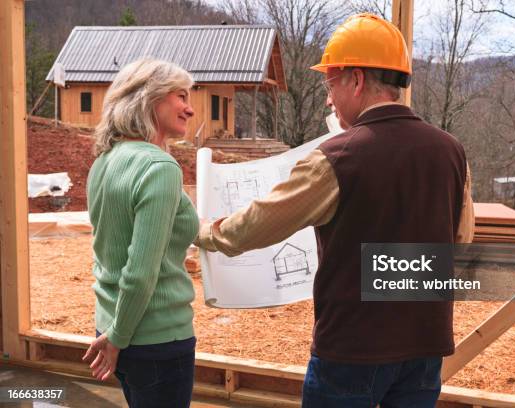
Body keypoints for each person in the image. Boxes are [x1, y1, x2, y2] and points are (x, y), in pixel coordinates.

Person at [195, 13, 475, 408]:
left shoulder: (337, 156)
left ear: (356, 80)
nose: (327, 98)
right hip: (426, 348)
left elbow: (258, 225)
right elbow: (461, 238)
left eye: (330, 83)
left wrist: (206, 231)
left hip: (352, 352)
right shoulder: (452, 150)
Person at [82, 58, 199, 408]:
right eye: (181, 96)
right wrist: (118, 339)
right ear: (150, 98)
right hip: (154, 340)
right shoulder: (159, 167)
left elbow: (108, 251)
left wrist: (114, 334)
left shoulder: (104, 160)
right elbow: (140, 272)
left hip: (111, 325)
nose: (190, 109)